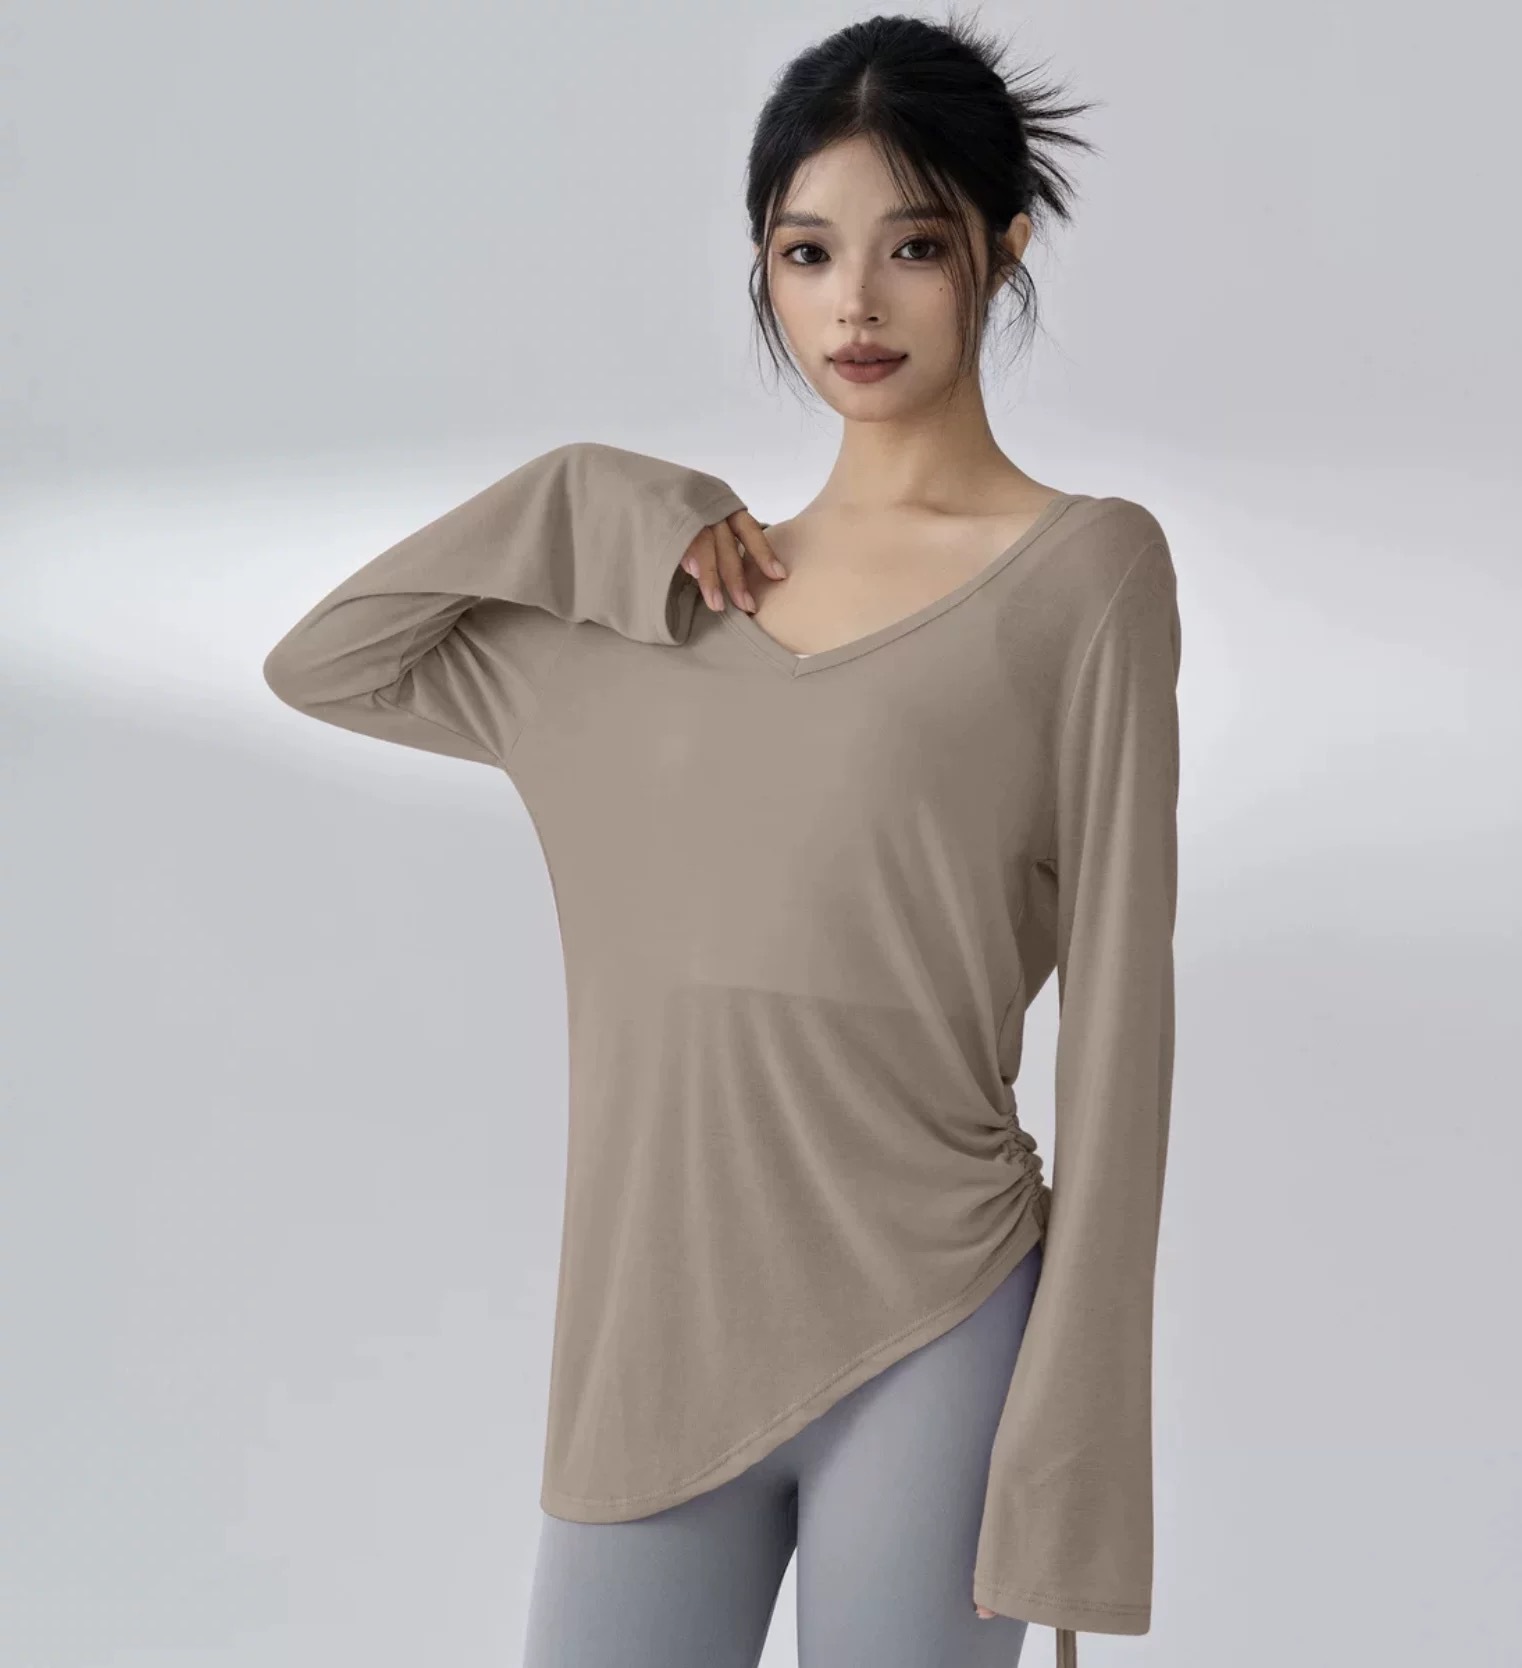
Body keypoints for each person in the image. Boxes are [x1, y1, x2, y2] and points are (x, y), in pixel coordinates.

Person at [261, 12, 1181, 1668]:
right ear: (763, 268)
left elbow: (1123, 1023)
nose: (857, 303)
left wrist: (1077, 1435)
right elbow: (332, 659)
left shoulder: (1086, 575)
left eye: (914, 246)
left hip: (937, 1320)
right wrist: (588, 495)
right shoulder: (654, 619)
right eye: (807, 251)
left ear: (1004, 246)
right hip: (648, 1340)